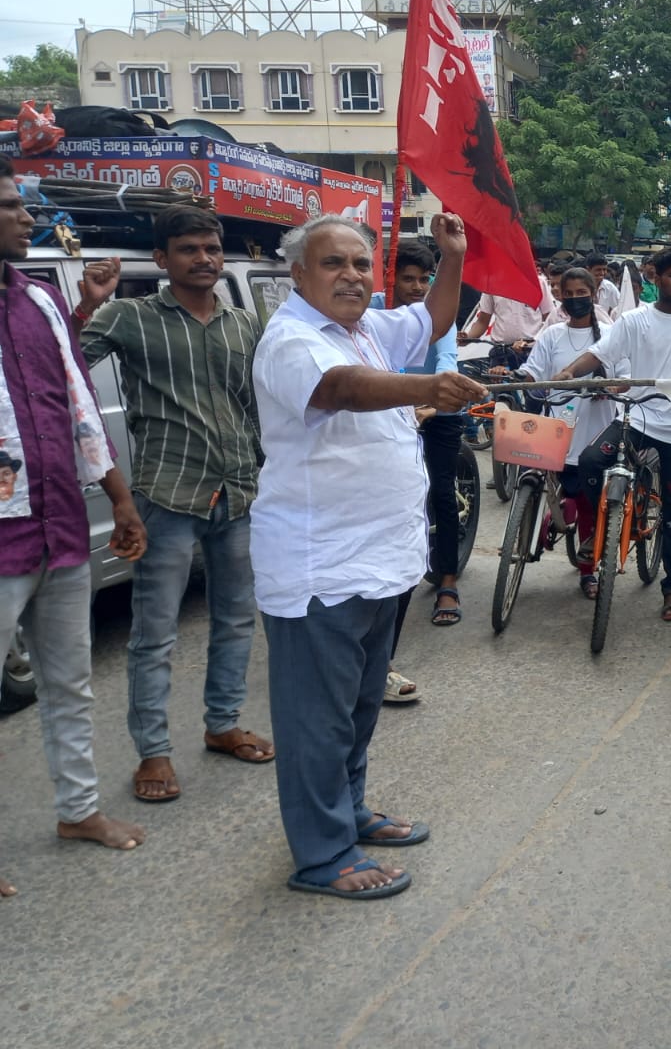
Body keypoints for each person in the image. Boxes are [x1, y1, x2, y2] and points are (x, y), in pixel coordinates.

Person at [251, 212, 486, 899]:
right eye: (334, 264)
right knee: (315, 722)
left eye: (360, 264)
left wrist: (453, 255)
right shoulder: (292, 339)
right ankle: (322, 856)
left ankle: (348, 813)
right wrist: (426, 389)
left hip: (381, 562)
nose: (351, 276)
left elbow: (434, 322)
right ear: (298, 274)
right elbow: (341, 390)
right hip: (318, 567)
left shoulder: (371, 330)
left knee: (357, 710)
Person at [74, 204, 271, 804]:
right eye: (188, 249)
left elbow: (260, 404)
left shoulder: (243, 324)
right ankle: (153, 753)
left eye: (211, 248)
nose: (204, 259)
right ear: (162, 260)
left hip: (237, 491)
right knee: (153, 633)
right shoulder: (130, 317)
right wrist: (86, 305)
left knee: (236, 617)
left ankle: (221, 724)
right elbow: (63, 368)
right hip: (168, 493)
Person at [0, 155, 149, 896]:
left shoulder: (37, 302)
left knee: (70, 683)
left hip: (58, 526)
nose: (25, 215)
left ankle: (79, 811)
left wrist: (119, 500)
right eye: (9, 205)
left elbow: (79, 407)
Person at [553, 249, 671, 622]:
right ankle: (598, 532)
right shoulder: (633, 320)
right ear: (654, 278)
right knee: (590, 462)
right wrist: (568, 372)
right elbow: (598, 355)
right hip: (638, 419)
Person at [512, 266, 620, 599]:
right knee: (539, 478)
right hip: (556, 426)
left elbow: (625, 376)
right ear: (560, 297)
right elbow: (532, 372)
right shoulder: (551, 335)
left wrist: (610, 387)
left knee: (589, 501)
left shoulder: (613, 334)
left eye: (581, 293)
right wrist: (517, 379)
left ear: (594, 294)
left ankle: (588, 571)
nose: (575, 299)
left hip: (596, 429)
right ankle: (554, 516)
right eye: (568, 294)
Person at [386, 243, 465, 648]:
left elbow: (446, 358)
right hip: (387, 410)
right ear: (391, 279)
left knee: (441, 493)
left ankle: (447, 580)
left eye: (425, 279)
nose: (417, 287)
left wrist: (434, 398)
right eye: (408, 278)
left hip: (438, 411)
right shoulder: (376, 313)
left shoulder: (437, 315)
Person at [456, 278, 555, 370]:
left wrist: (534, 343)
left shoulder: (538, 282)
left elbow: (549, 320)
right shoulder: (492, 283)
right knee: (500, 387)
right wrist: (468, 338)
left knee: (530, 387)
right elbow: (482, 321)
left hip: (530, 351)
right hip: (501, 352)